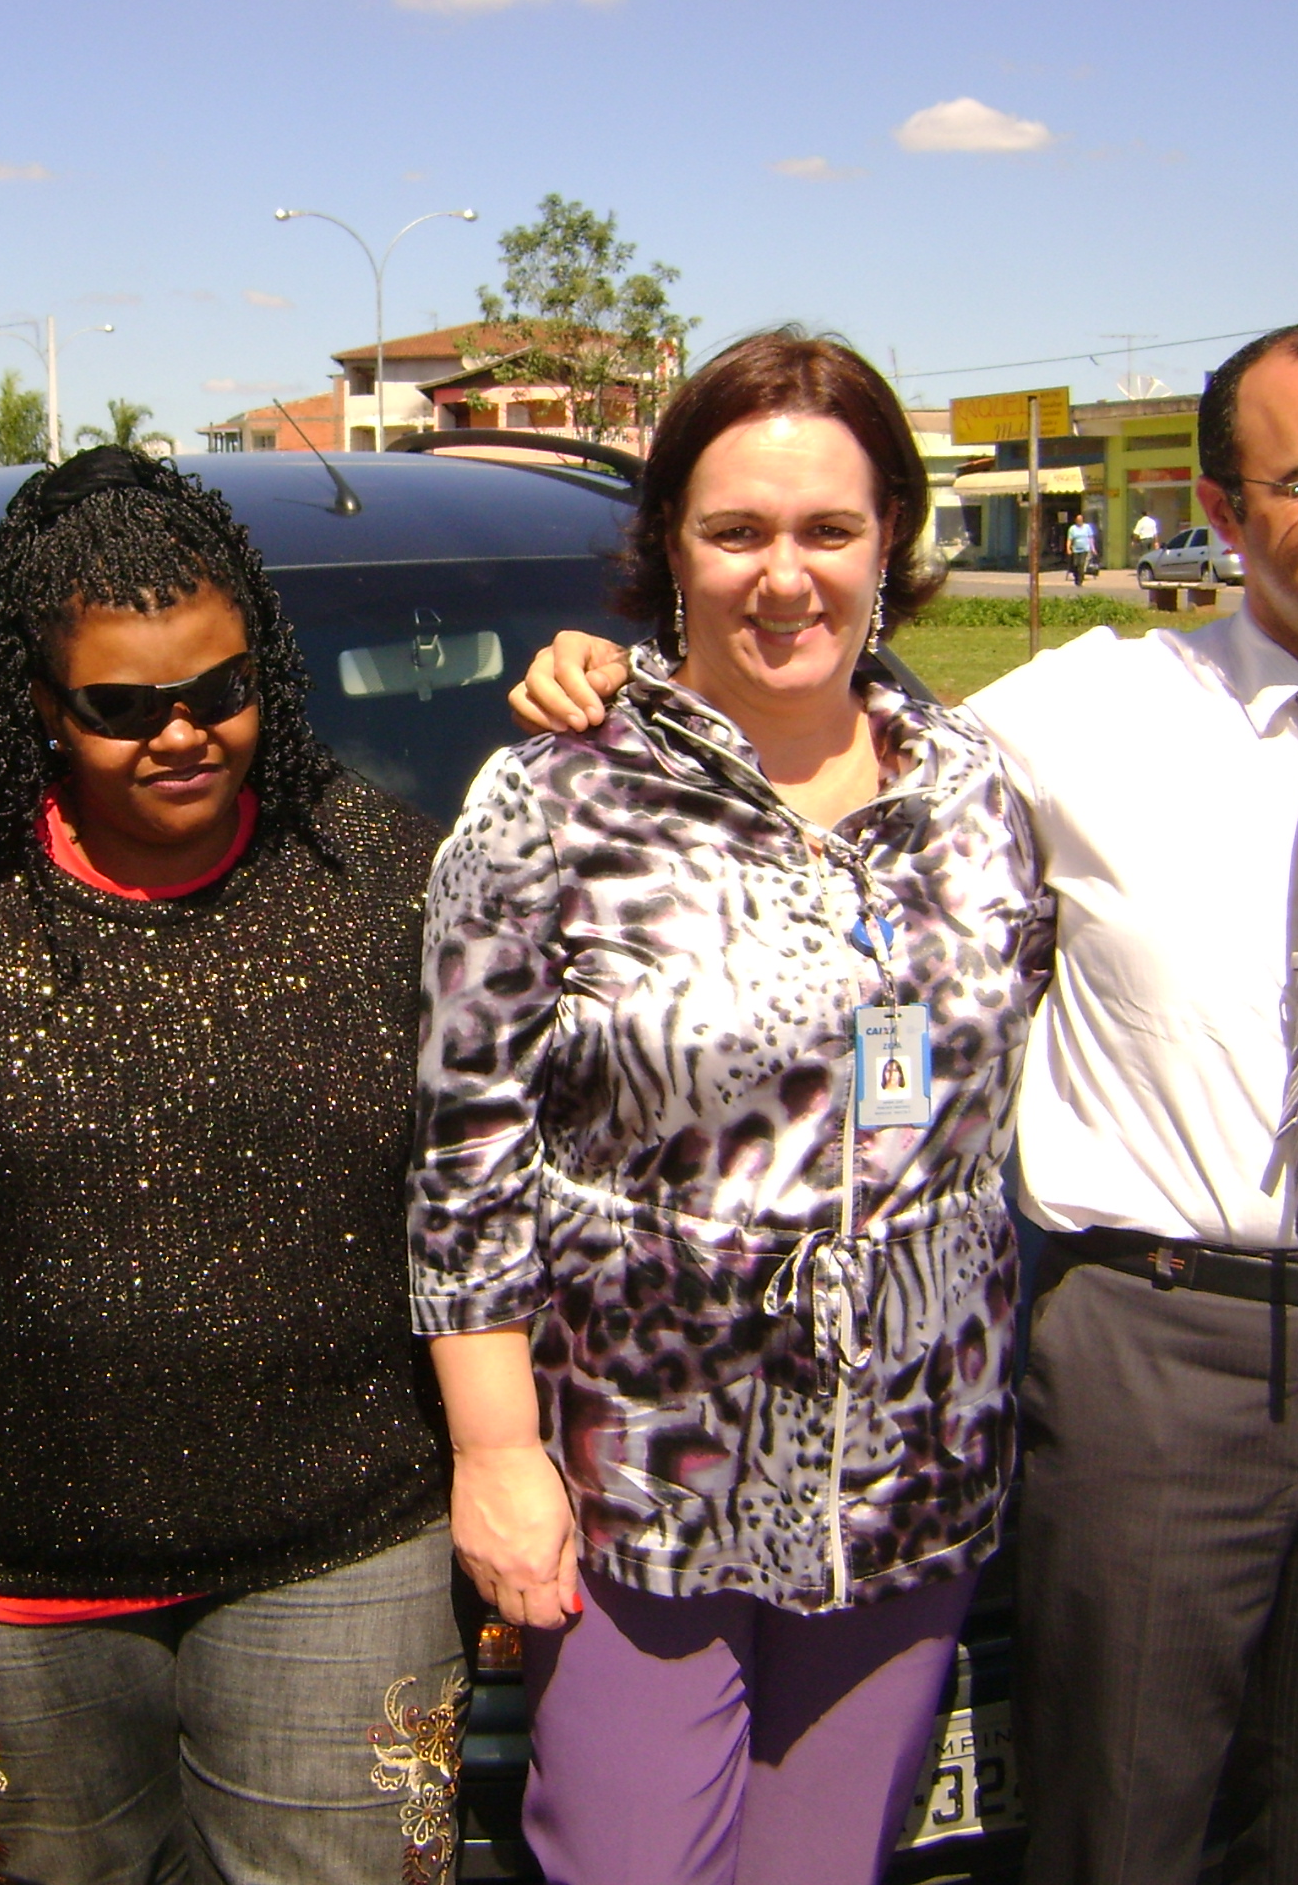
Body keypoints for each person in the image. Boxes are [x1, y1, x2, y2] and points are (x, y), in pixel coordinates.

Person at [509, 318, 1298, 1885]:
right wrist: (614, 667)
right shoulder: (1072, 720)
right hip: (1148, 1350)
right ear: (1227, 517)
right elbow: (807, 724)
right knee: (1118, 1826)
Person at [0, 447, 465, 1884]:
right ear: (37, 700)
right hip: (6, 1568)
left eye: (221, 689)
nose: (186, 734)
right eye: (122, 708)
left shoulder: (388, 879)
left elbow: (491, 1190)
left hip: (341, 1539)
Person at [410, 331, 1053, 1885]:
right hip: (647, 1486)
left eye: (828, 530)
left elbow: (936, 1083)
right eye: (737, 530)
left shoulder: (971, 787)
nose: (786, 576)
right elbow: (464, 1165)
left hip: (909, 1476)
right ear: (671, 548)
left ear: (890, 539)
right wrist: (496, 1455)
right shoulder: (556, 797)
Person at [1065, 512, 1098, 588]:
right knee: (1075, 564)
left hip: (1085, 549)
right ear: (1076, 520)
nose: (1079, 521)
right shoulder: (1072, 528)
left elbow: (1090, 538)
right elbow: (1069, 539)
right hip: (1075, 549)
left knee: (1081, 564)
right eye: (1078, 520)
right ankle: (1076, 576)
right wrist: (1068, 548)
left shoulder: (1087, 527)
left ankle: (1079, 581)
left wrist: (1093, 548)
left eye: (1081, 519)